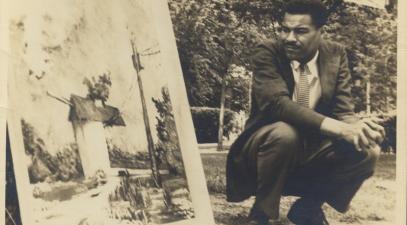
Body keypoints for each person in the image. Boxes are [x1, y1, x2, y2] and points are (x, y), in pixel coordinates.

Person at [225, 1, 385, 225]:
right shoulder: (267, 51)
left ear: (321, 32)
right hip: (264, 151)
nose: (289, 38)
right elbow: (276, 104)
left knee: (368, 150)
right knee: (284, 133)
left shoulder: (335, 54)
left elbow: (343, 110)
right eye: (285, 29)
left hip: (312, 152)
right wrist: (340, 128)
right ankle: (262, 213)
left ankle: (308, 208)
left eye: (300, 31)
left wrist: (359, 128)